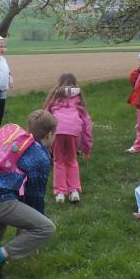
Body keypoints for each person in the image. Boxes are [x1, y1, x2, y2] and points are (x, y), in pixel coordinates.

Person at [0, 109, 57, 279]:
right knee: (46, 228)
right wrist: (33, 223)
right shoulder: (39, 156)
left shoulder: (17, 142)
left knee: (13, 204)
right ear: (50, 134)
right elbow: (35, 195)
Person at [43, 73, 93, 203]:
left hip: (57, 131)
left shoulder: (54, 95)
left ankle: (60, 192)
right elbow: (87, 124)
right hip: (74, 132)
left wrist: (44, 139)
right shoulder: (78, 97)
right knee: (72, 160)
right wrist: (87, 148)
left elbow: (45, 116)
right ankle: (74, 190)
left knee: (58, 161)